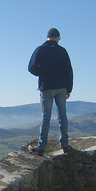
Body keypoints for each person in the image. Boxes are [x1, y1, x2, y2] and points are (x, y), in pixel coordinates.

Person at [28, 28, 74, 156]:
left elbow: (31, 68)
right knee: (62, 115)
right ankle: (65, 145)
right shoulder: (62, 51)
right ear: (57, 37)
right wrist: (69, 88)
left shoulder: (40, 50)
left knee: (46, 116)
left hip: (46, 86)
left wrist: (41, 73)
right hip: (61, 87)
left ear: (48, 37)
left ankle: (41, 148)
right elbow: (69, 71)